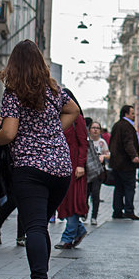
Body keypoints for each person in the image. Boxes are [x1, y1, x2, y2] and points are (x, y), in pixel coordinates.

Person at [0, 40, 78, 279]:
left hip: (31, 168)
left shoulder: (13, 93)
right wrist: (52, 132)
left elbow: (9, 133)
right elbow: (73, 110)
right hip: (60, 168)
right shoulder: (53, 90)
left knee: (34, 227)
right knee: (41, 226)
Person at [55, 92, 89, 250]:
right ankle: (79, 229)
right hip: (61, 165)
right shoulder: (58, 118)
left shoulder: (78, 119)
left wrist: (81, 165)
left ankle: (68, 237)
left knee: (73, 201)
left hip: (75, 167)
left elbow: (83, 143)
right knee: (65, 200)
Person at [109, 105, 139, 220]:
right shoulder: (127, 126)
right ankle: (129, 210)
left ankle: (117, 211)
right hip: (126, 164)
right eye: (132, 113)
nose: (134, 116)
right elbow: (128, 142)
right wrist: (134, 156)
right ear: (126, 114)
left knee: (118, 188)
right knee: (129, 187)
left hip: (117, 163)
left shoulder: (117, 125)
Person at [85, 119, 108, 224]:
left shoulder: (102, 142)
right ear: (89, 130)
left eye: (97, 128)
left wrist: (103, 156)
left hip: (98, 172)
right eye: (93, 128)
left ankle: (94, 216)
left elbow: (108, 154)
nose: (95, 130)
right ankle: (84, 213)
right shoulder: (85, 141)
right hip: (87, 171)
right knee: (85, 194)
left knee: (95, 194)